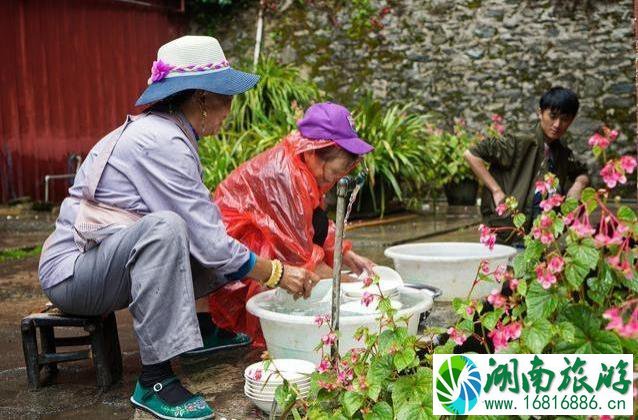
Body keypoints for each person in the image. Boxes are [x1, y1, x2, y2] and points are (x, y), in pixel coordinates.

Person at [37, 36, 318, 420]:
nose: (229, 110)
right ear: (201, 98)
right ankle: (154, 380)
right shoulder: (162, 141)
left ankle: (200, 332)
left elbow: (209, 236)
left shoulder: (171, 133)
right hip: (74, 275)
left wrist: (250, 260)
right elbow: (210, 246)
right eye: (226, 97)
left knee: (210, 232)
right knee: (169, 230)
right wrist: (277, 273)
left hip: (103, 259)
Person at [205, 102, 376, 348]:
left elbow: (312, 224)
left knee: (318, 228)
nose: (338, 178)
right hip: (230, 257)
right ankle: (253, 327)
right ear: (314, 152)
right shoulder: (285, 177)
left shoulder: (302, 166)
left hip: (251, 245)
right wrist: (357, 286)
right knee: (295, 272)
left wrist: (346, 254)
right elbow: (299, 259)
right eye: (335, 171)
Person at [464, 86, 589, 243]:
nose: (557, 124)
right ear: (540, 113)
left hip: (537, 237)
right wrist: (496, 191)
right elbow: (471, 154)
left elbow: (581, 172)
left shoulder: (561, 150)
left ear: (572, 119)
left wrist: (579, 184)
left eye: (564, 119)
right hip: (507, 231)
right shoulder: (519, 142)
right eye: (553, 116)